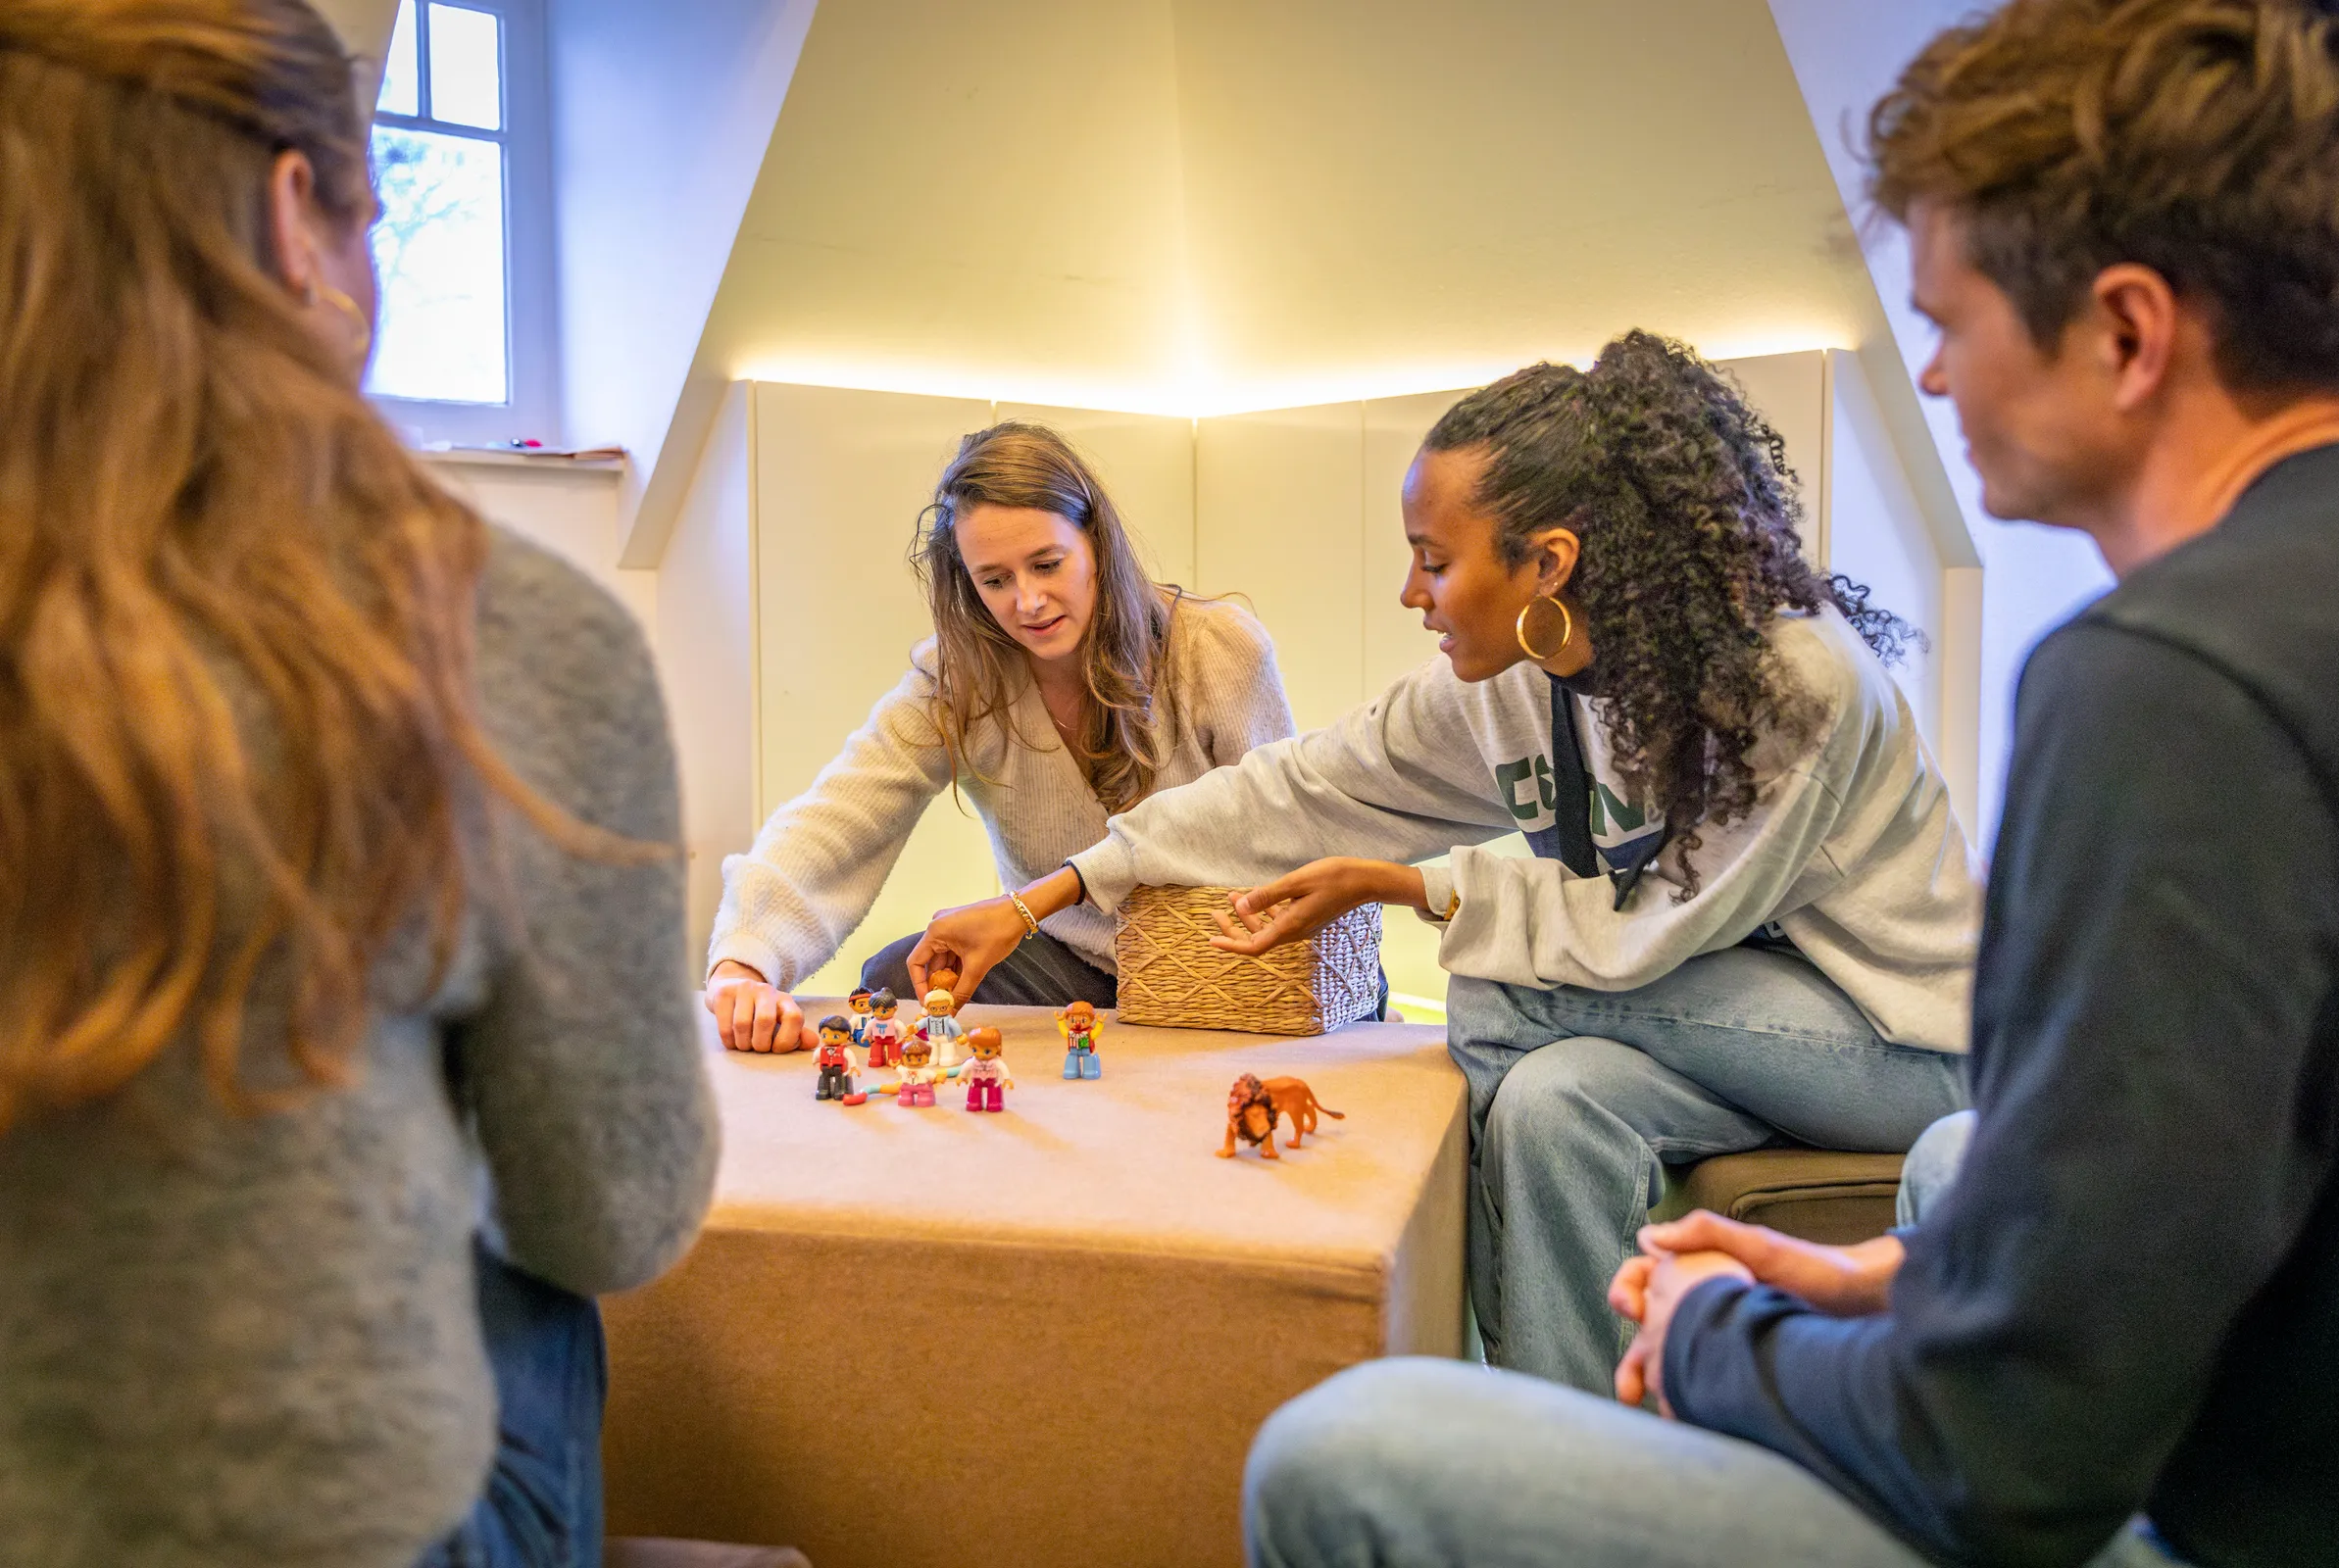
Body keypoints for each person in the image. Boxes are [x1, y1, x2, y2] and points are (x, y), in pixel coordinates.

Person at [1242, 1, 2339, 1564]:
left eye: (1952, 323)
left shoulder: (2169, 684)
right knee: (1590, 1101)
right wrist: (1903, 1282)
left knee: (1344, 1449)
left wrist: (1716, 1336)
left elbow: (2016, 1454)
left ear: (2123, 330)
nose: (1941, 379)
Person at [919, 331, 1980, 1394]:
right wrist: (1040, 899)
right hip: (1727, 1027)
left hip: (1907, 1042)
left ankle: (1454, 1380)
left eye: (1435, 558)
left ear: (1549, 562)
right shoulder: (1511, 683)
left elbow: (1657, 926)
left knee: (1494, 992)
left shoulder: (1793, 682)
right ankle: (1563, 1444)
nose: (1411, 593)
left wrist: (1414, 884)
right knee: (1551, 1105)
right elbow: (1296, 789)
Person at [0, 5, 720, 1567]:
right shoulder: (500, 631)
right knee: (525, 1267)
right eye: (370, 214)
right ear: (290, 217)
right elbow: (613, 1216)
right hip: (332, 1528)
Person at [703, 422, 1295, 1054]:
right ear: (967, 583)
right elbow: (842, 811)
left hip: (1228, 964)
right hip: (1079, 963)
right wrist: (745, 958)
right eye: (995, 580)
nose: (1029, 601)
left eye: (1047, 564)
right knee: (895, 979)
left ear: (1096, 544)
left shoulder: (1219, 646)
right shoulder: (958, 680)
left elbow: (1276, 840)